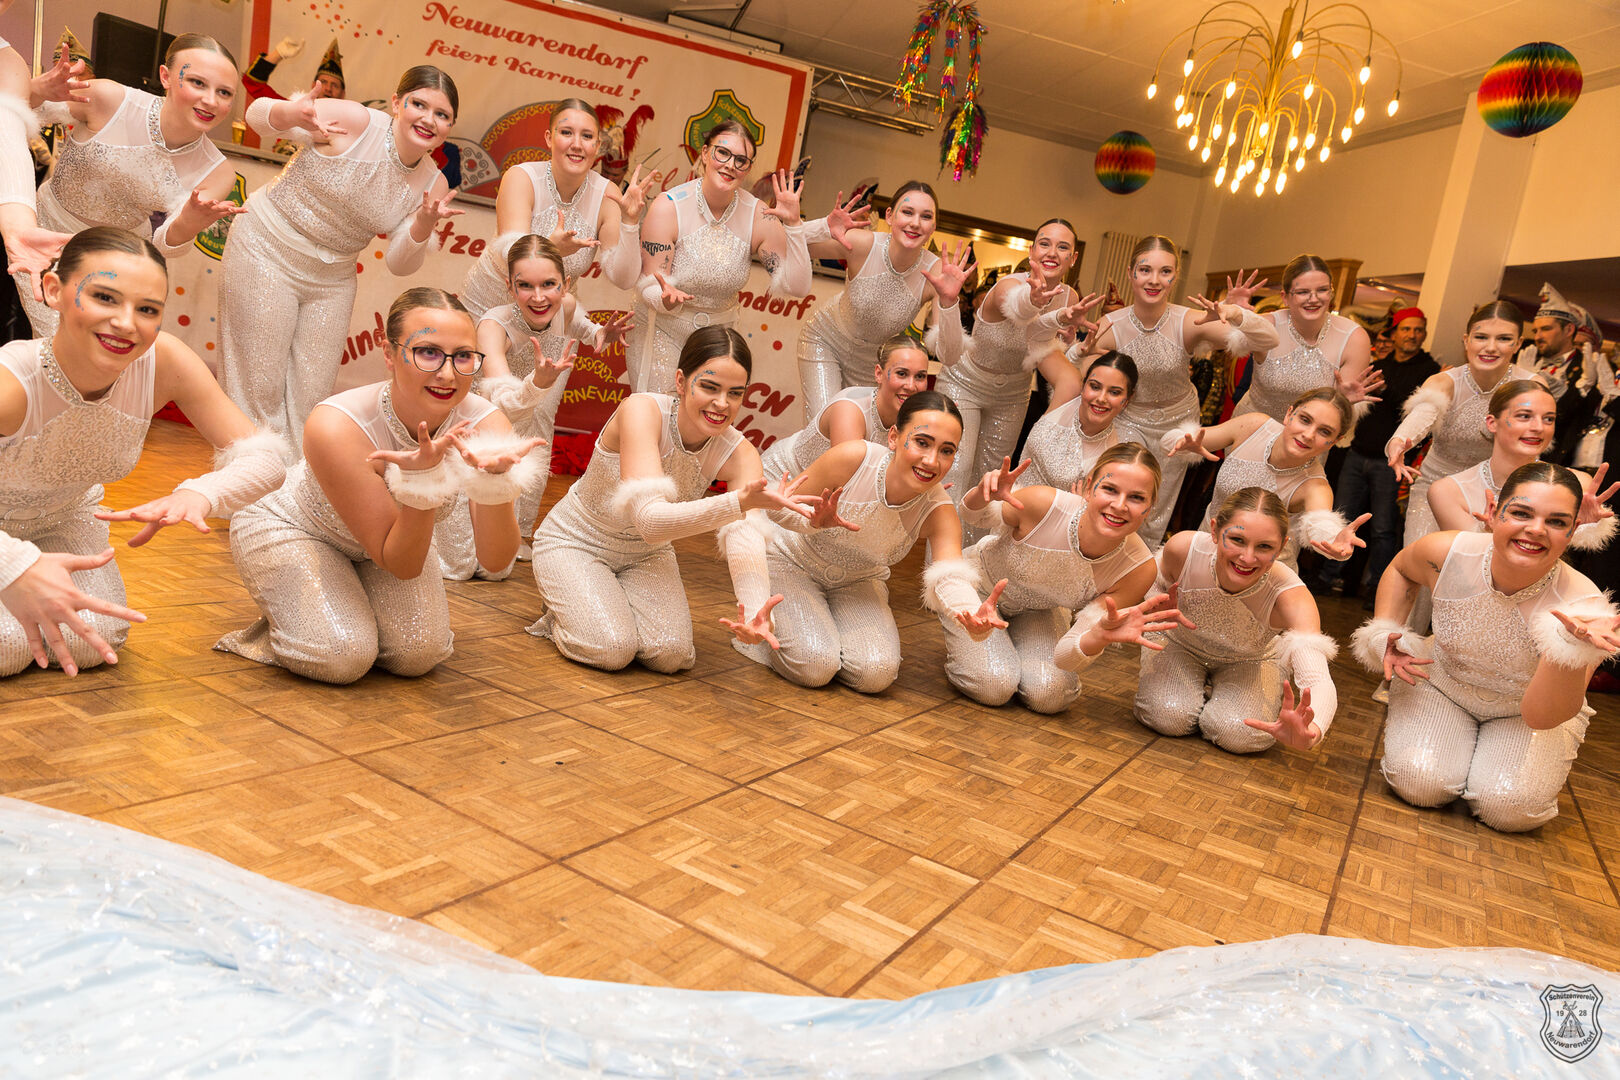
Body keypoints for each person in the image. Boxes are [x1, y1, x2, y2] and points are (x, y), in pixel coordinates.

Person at [217, 287, 541, 684]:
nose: (447, 374)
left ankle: (348, 605)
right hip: (295, 528)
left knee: (418, 654)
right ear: (389, 353)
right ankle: (300, 622)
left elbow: (495, 560)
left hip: (388, 547)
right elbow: (402, 564)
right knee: (342, 657)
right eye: (428, 352)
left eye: (462, 356)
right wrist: (422, 481)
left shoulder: (486, 424)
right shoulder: (337, 423)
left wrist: (495, 484)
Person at [2, 228, 289, 676]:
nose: (126, 323)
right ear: (54, 291)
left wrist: (200, 493)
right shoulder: (12, 384)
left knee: (91, 642)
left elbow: (265, 458)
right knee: (9, 646)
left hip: (64, 521)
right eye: (105, 298)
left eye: (148, 309)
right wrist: (15, 566)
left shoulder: (163, 361)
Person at [1355, 462, 1620, 831]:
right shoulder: (1447, 552)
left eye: (1556, 521)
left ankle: (1485, 765)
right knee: (1419, 782)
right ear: (1494, 512)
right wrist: (1386, 630)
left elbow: (1542, 717)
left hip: (1523, 714)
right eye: (1521, 513)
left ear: (1572, 531)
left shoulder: (1586, 609)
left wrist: (1569, 649)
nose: (1536, 529)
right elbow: (1402, 569)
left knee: (1509, 808)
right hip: (1442, 684)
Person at [528, 326, 809, 673]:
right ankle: (562, 611)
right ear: (680, 381)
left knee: (672, 655)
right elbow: (650, 522)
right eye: (710, 387)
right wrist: (736, 503)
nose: (722, 404)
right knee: (612, 649)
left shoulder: (740, 452)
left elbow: (744, 535)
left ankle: (602, 603)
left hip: (647, 555)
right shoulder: (641, 410)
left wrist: (755, 613)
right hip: (576, 541)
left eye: (735, 393)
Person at [220, 65, 462, 450]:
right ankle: (250, 479)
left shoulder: (434, 183)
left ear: (450, 126)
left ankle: (296, 483)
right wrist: (290, 112)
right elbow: (255, 116)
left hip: (333, 279)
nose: (428, 120)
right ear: (397, 103)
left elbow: (400, 264)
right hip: (266, 248)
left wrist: (422, 225)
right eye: (419, 104)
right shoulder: (357, 121)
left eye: (442, 114)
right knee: (258, 384)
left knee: (311, 395)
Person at [739, 390, 999, 693]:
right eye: (922, 442)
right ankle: (771, 641)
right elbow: (777, 510)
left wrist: (970, 612)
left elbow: (949, 576)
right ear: (894, 437)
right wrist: (811, 521)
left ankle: (819, 637)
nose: (931, 460)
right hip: (792, 562)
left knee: (876, 674)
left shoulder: (939, 509)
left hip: (859, 582)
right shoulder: (853, 457)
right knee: (814, 666)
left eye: (946, 450)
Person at [13, 34, 244, 337]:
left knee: (95, 346)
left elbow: (165, 245)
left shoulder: (217, 172)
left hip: (118, 261)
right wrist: (36, 89)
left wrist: (188, 223)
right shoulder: (110, 99)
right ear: (166, 76)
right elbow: (18, 112)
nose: (211, 101)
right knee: (55, 341)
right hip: (44, 234)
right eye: (198, 83)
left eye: (224, 92)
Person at [435, 235, 631, 578]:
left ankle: (521, 531)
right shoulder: (493, 326)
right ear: (510, 287)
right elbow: (502, 405)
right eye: (525, 285)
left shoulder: (566, 306)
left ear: (564, 285)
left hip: (535, 417)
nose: (538, 297)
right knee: (462, 565)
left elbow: (579, 324)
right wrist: (537, 384)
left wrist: (599, 334)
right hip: (487, 433)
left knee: (499, 565)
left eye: (548, 285)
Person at [947, 443, 1182, 712]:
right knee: (994, 686)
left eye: (1136, 498)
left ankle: (1010, 648)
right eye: (1110, 489)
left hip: (1038, 612)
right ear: (1090, 487)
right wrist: (983, 493)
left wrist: (1099, 637)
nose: (1119, 506)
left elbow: (1066, 656)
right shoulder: (1044, 503)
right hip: (977, 589)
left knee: (1050, 695)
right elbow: (974, 516)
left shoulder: (1138, 569)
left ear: (1150, 507)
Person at [1087, 236, 1281, 545]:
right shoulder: (1111, 324)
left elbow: (1268, 341)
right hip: (1129, 420)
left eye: (1165, 271)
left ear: (1175, 276)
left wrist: (1236, 314)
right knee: (1122, 496)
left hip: (1176, 426)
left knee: (1155, 509)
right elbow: (1080, 378)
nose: (1154, 280)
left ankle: (1144, 567)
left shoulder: (1188, 321)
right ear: (1131, 273)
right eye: (1145, 270)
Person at [1135, 487, 1340, 754]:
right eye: (1237, 540)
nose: (1247, 558)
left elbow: (1317, 677)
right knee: (1168, 715)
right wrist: (1155, 605)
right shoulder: (1184, 549)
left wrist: (1313, 731)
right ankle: (1199, 693)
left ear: (1282, 546)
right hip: (1180, 644)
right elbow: (1150, 586)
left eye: (1264, 546)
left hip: (1250, 660)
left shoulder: (1291, 594)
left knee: (1240, 735)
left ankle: (1221, 699)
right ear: (1214, 530)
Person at [1385, 300, 1539, 628]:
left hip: (1493, 496)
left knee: (1475, 578)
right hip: (1434, 488)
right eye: (1481, 337)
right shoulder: (1445, 381)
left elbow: (1533, 443)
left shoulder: (1529, 387)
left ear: (1518, 344)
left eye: (1504, 339)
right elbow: (1422, 415)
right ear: (1466, 340)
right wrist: (1400, 441)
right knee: (1419, 570)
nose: (1490, 347)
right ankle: (1401, 653)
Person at [628, 121, 811, 394]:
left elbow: (798, 287)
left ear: (747, 168)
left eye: (741, 160)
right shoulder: (669, 206)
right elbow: (648, 285)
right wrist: (664, 299)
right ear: (705, 153)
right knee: (662, 412)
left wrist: (794, 225)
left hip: (717, 341)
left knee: (707, 416)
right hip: (661, 332)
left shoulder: (758, 215)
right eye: (722, 153)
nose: (730, 165)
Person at [939, 218, 1100, 500]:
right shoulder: (1008, 285)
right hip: (965, 384)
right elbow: (1020, 311)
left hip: (1013, 395)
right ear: (1032, 251)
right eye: (1045, 244)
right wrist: (1036, 303)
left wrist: (1073, 348)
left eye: (1063, 247)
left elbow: (1042, 347)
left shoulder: (1069, 297)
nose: (1052, 253)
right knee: (956, 469)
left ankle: (973, 532)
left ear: (1073, 258)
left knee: (990, 478)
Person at [458, 98, 653, 318]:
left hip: (550, 315)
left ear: (598, 146)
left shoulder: (607, 194)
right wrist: (550, 249)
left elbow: (623, 279)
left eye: (587, 136)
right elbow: (510, 254)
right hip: (491, 306)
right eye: (566, 133)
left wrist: (630, 223)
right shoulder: (522, 177)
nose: (577, 144)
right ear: (549, 138)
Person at [795, 180, 970, 419]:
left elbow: (949, 356)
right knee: (825, 423)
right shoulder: (863, 244)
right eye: (907, 212)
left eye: (926, 216)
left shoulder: (937, 272)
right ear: (889, 216)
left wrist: (949, 302)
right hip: (825, 342)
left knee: (858, 433)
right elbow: (788, 242)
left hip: (874, 365)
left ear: (933, 226)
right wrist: (822, 226)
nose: (915, 223)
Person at [1169, 387, 1366, 571]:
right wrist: (1179, 442)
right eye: (1305, 420)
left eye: (1324, 431)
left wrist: (1335, 542)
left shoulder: (1315, 487)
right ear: (1289, 414)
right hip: (1205, 552)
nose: (1308, 435)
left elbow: (1321, 529)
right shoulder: (1254, 427)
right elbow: (1172, 441)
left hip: (1257, 573)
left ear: (1335, 441)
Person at [1316, 309, 1436, 601]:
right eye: (1406, 329)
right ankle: (1326, 577)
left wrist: (1386, 389)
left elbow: (1413, 412)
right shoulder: (1378, 366)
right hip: (1358, 454)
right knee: (1340, 517)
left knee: (1383, 528)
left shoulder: (1429, 371)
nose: (1412, 335)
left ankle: (1377, 589)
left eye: (1418, 330)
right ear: (1395, 334)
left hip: (1391, 462)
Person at [1427, 378, 1617, 550]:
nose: (1538, 428)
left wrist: (1585, 528)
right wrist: (1488, 533)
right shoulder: (1448, 491)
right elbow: (1470, 560)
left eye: (1548, 419)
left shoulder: (1578, 484)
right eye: (1524, 416)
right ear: (1492, 423)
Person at [762, 335, 930, 481]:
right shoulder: (849, 408)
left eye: (920, 376)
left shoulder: (918, 417)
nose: (911, 386)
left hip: (825, 496)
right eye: (901, 374)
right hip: (781, 480)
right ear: (879, 374)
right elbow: (849, 484)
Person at [1234, 254, 1378, 422]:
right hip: (1252, 427)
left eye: (1322, 290)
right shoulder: (1267, 324)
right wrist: (1231, 312)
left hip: (1310, 432)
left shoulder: (1354, 337)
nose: (1313, 299)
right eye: (1303, 292)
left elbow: (1339, 410)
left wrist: (1341, 402)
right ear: (1285, 297)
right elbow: (1215, 337)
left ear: (1331, 292)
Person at [1016, 352, 1137, 492]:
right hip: (1008, 496)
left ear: (1128, 399)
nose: (1101, 398)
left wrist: (1079, 503)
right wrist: (1077, 351)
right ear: (1084, 385)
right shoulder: (1067, 394)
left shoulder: (1111, 457)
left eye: (1114, 392)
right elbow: (1039, 345)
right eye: (1095, 387)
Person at [241, 37, 345, 103]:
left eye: (335, 85)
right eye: (323, 82)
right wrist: (277, 55)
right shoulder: (296, 113)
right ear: (313, 86)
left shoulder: (351, 123)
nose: (328, 89)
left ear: (343, 94)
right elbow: (252, 83)